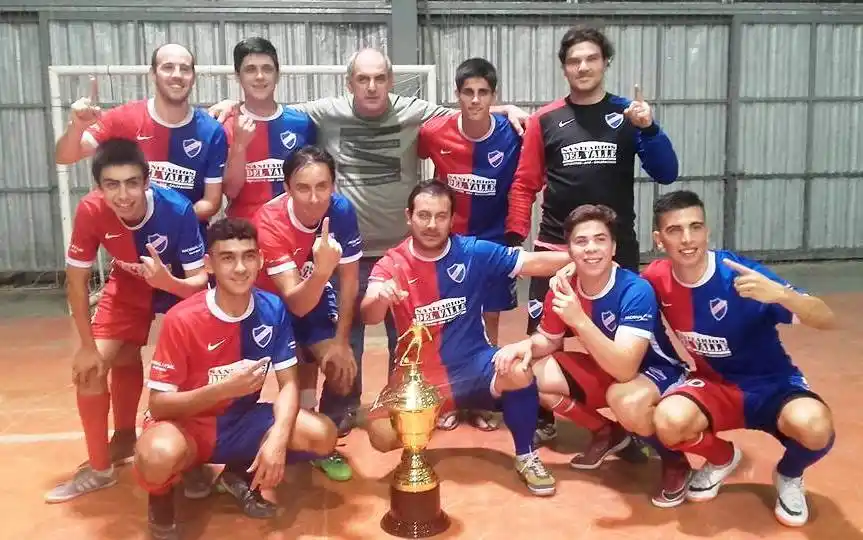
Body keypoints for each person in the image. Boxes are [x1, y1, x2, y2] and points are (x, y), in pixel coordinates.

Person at [209, 48, 530, 436]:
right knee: (348, 336)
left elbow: (468, 112)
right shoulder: (326, 111)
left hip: (405, 250)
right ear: (350, 83)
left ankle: (417, 402)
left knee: (414, 335)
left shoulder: (413, 110)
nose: (372, 86)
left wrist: (506, 108)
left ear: (392, 81)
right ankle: (341, 408)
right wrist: (233, 104)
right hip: (345, 248)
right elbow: (272, 107)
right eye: (363, 79)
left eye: (380, 78)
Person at [504, 25, 680, 444]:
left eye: (591, 59)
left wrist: (650, 129)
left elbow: (666, 173)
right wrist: (514, 240)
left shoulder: (628, 114)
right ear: (564, 68)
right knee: (545, 336)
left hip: (614, 252)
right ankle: (546, 413)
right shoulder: (545, 119)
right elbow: (525, 183)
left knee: (629, 339)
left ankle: (634, 416)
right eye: (573, 61)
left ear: (605, 63)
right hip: (554, 250)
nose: (582, 67)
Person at [359, 180, 572, 496]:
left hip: (475, 366)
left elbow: (533, 262)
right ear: (409, 216)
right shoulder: (392, 263)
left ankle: (526, 455)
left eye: (441, 216)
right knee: (380, 436)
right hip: (420, 379)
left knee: (518, 370)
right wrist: (381, 297)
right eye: (424, 215)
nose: (432, 224)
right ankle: (418, 437)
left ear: (451, 219)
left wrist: (587, 258)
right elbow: (369, 314)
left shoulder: (473, 252)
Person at [134, 218, 338, 540]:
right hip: (187, 426)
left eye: (248, 256)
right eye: (228, 257)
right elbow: (158, 406)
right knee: (156, 454)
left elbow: (288, 385)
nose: (240, 267)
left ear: (259, 260)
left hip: (240, 422)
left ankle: (237, 474)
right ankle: (162, 506)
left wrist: (277, 439)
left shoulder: (273, 309)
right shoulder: (182, 319)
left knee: (323, 435)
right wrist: (221, 390)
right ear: (209, 265)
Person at [643, 190, 836, 526]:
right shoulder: (656, 279)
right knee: (667, 421)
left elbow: (826, 318)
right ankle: (722, 458)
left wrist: (783, 295)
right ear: (659, 240)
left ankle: (789, 474)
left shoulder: (741, 275)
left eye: (696, 227)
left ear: (708, 230)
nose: (688, 239)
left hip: (773, 385)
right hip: (715, 387)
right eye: (675, 230)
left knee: (816, 427)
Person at [45, 139, 210, 503]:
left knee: (195, 370)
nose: (123, 194)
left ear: (147, 181)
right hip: (128, 286)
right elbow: (76, 280)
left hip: (178, 286)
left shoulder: (177, 209)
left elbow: (200, 285)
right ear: (98, 188)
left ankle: (196, 456)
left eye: (132, 183)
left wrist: (167, 282)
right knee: (92, 369)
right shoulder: (90, 211)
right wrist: (86, 348)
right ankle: (104, 465)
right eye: (112, 185)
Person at [494, 204, 690, 507]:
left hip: (655, 373)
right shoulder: (564, 287)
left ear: (613, 247)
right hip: (608, 369)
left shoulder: (634, 290)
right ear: (569, 249)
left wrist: (579, 319)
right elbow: (549, 338)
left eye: (600, 239)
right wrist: (526, 347)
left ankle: (675, 461)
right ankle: (608, 432)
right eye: (581, 241)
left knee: (623, 397)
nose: (591, 249)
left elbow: (626, 368)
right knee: (529, 371)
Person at [417, 57, 521, 433]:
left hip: (492, 243)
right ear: (457, 95)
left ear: (493, 96)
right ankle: (447, 398)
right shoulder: (433, 132)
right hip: (447, 245)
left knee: (488, 324)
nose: (475, 100)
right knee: (447, 322)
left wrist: (516, 233)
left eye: (483, 93)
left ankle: (480, 400)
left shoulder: (513, 132)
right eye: (468, 92)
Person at [253, 146, 361, 482]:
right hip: (265, 304)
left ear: (333, 186)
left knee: (341, 370)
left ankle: (315, 439)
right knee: (258, 377)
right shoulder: (269, 220)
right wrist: (320, 271)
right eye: (303, 188)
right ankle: (238, 454)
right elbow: (293, 302)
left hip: (312, 292)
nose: (314, 199)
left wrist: (342, 342)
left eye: (322, 187)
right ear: (287, 188)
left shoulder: (342, 211)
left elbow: (350, 280)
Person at [55, 43, 227, 237]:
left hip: (189, 244)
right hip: (132, 247)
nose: (177, 75)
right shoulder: (123, 118)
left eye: (185, 69)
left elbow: (212, 202)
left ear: (193, 77)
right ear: (152, 74)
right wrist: (76, 127)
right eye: (168, 67)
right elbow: (64, 157)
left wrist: (170, 222)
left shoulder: (211, 131)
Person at [222, 37, 316, 220]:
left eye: (267, 69)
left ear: (278, 74)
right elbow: (231, 192)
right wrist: (239, 147)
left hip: (291, 230)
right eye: (250, 69)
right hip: (244, 234)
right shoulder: (225, 125)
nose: (259, 76)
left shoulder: (301, 123)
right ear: (237, 76)